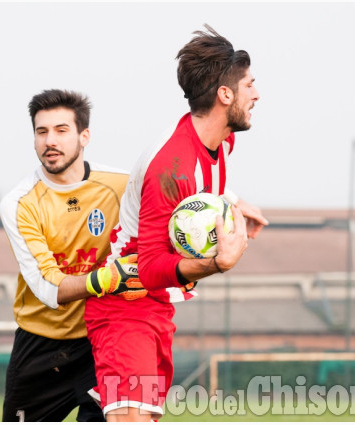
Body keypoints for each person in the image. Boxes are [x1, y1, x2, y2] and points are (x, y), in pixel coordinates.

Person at [84, 25, 269, 421]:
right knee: (129, 418)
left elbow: (203, 185)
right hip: (126, 305)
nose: (257, 94)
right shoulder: (170, 168)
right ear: (225, 95)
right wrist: (218, 263)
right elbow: (150, 270)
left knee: (143, 418)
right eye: (250, 85)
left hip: (157, 311)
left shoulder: (220, 140)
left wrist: (234, 201)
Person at [0, 89, 145, 422]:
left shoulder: (121, 185)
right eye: (41, 131)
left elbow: (175, 188)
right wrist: (109, 278)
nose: (50, 140)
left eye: (61, 130)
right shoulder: (19, 202)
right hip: (41, 345)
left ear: (84, 136)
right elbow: (48, 289)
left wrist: (231, 201)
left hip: (106, 339)